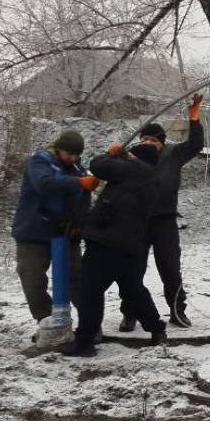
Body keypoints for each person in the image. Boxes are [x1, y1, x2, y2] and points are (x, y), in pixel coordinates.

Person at [60, 143, 167, 357]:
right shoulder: (152, 178)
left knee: (89, 291)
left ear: (135, 159)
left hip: (106, 242)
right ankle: (157, 330)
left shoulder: (134, 170)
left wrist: (110, 154)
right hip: (130, 244)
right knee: (133, 290)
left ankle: (84, 343)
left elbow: (98, 166)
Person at [119, 94, 204, 330]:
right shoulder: (131, 157)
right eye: (144, 139)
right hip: (137, 222)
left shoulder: (173, 155)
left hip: (165, 221)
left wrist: (194, 119)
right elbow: (105, 169)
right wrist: (113, 154)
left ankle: (178, 312)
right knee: (132, 270)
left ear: (162, 142)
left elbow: (196, 145)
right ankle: (130, 313)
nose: (148, 144)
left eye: (152, 141)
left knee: (170, 269)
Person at [11, 130, 98, 337]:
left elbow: (84, 201)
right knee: (32, 277)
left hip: (67, 233)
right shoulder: (39, 162)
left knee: (77, 279)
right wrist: (79, 183)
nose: (74, 158)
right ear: (59, 148)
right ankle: (47, 321)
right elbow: (45, 185)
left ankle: (90, 324)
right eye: (70, 154)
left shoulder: (77, 168)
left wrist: (79, 224)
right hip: (33, 232)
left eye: (77, 155)